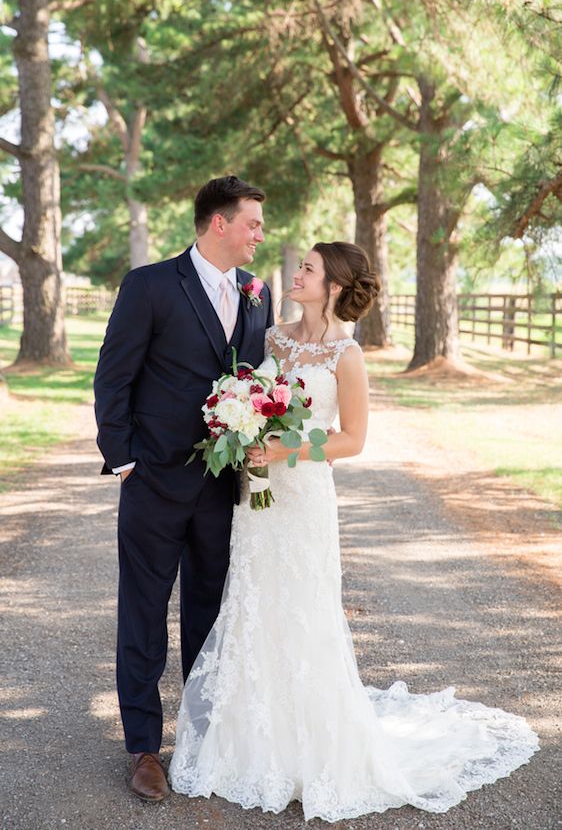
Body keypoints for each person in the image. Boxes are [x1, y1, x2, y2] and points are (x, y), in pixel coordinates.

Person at [168, 241, 539, 821]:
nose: (296, 273)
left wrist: (284, 447)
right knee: (253, 604)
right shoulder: (270, 338)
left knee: (302, 610)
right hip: (255, 497)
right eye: (300, 267)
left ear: (334, 286)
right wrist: (241, 434)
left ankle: (313, 750)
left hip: (304, 498)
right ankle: (250, 745)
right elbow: (242, 397)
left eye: (307, 269)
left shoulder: (346, 355)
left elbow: (350, 440)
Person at [93, 175, 273, 802]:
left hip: (223, 487)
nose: (260, 233)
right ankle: (143, 746)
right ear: (218, 224)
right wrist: (123, 459)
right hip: (154, 478)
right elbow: (113, 374)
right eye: (252, 222)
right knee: (143, 613)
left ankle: (201, 736)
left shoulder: (258, 293)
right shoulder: (149, 285)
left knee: (211, 609)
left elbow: (253, 379)